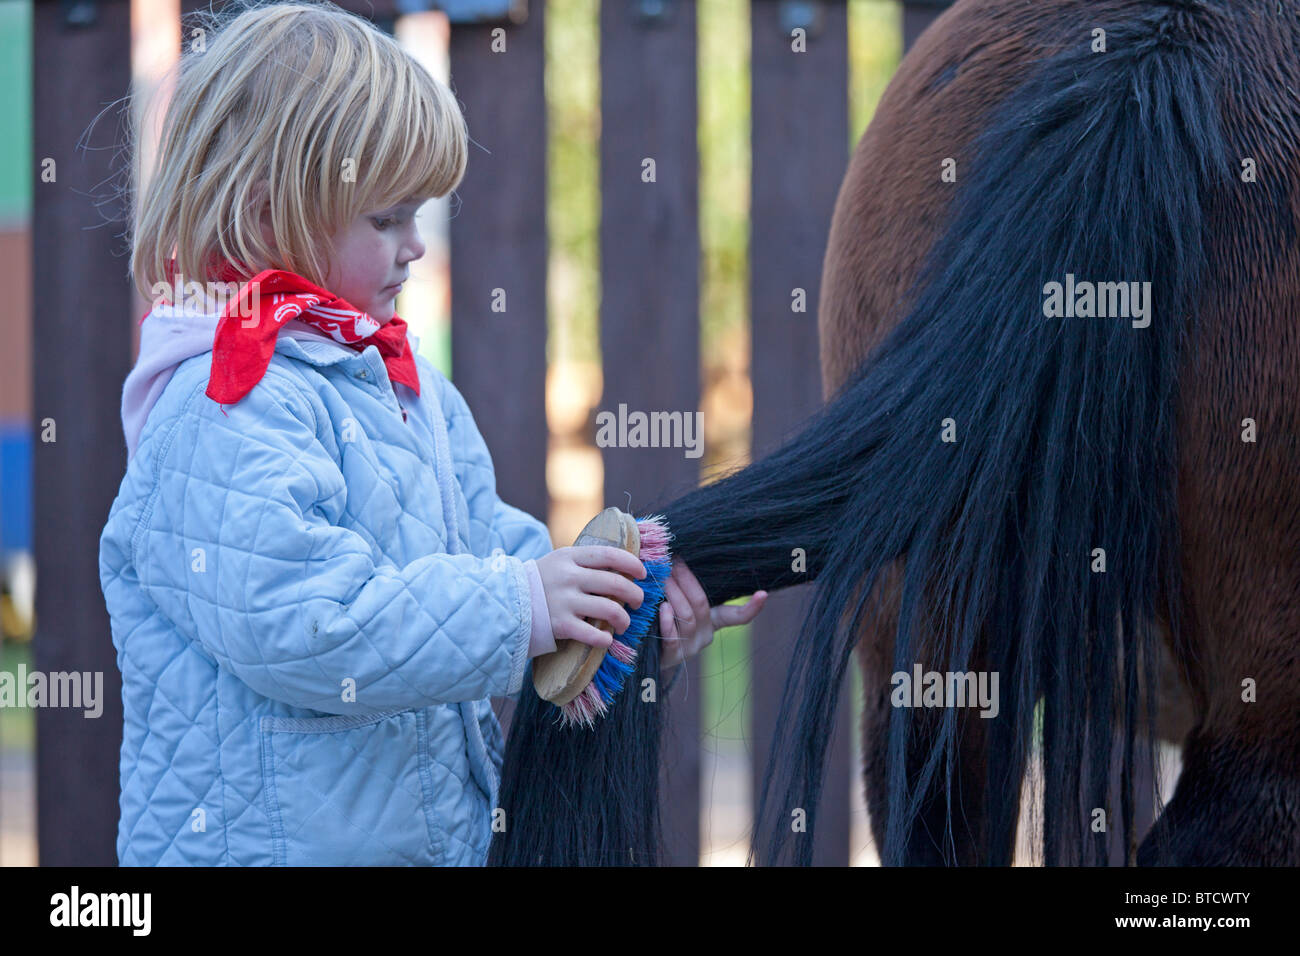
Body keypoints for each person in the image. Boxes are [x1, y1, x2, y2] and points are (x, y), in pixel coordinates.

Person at [98, 0, 764, 866]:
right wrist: (524, 603)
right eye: (386, 219)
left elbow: (493, 568)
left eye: (420, 214)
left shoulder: (411, 394)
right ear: (267, 216)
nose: (417, 246)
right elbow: (308, 623)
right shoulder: (224, 402)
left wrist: (618, 621)